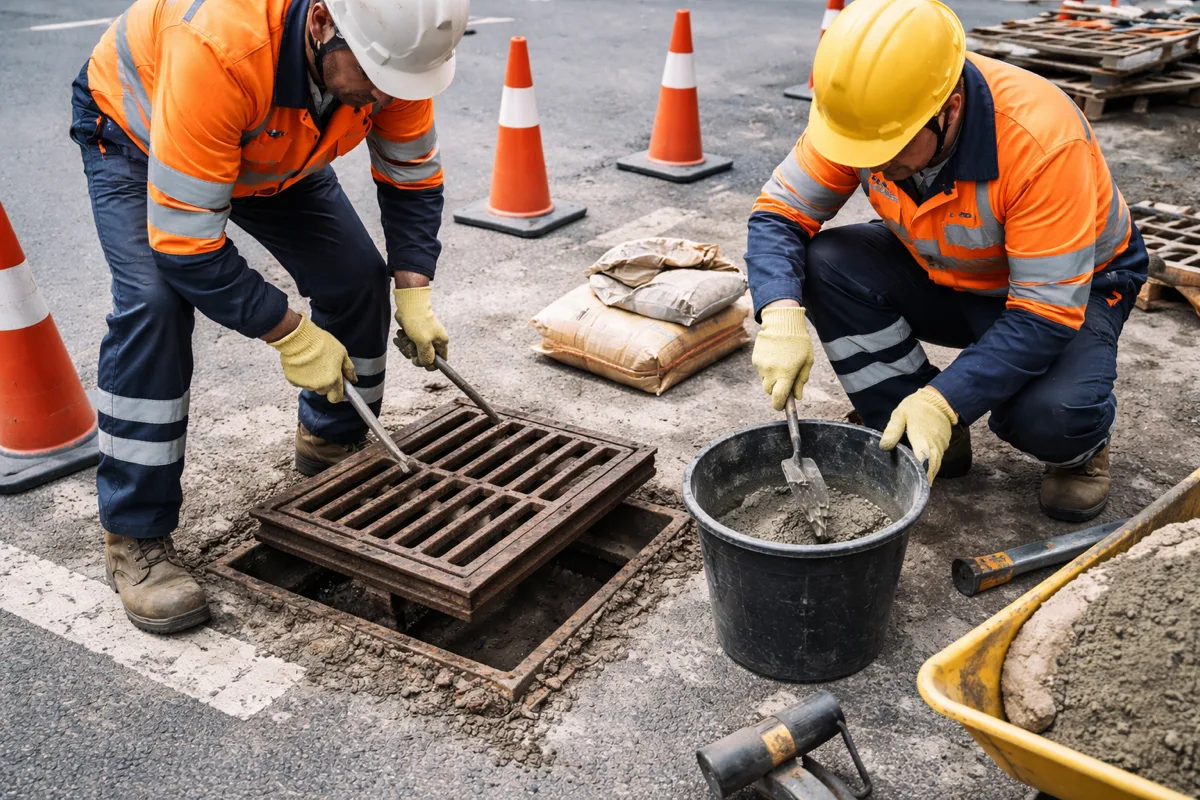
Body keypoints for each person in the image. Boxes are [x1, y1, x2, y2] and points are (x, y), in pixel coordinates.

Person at [69, 0, 469, 633]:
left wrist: (414, 289)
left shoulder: (392, 61)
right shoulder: (221, 50)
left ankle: (331, 443)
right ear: (319, 25)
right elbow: (188, 246)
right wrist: (290, 333)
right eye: (370, 80)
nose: (380, 97)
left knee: (357, 279)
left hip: (276, 153)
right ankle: (135, 539)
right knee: (154, 306)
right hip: (141, 135)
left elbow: (412, 177)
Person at [746, 0, 1146, 522]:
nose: (868, 164)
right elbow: (779, 214)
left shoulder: (1041, 139)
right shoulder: (866, 116)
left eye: (887, 149)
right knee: (826, 264)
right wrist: (779, 311)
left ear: (950, 109)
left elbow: (1043, 314)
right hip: (947, 269)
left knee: (1049, 416)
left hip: (1074, 290)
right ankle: (919, 431)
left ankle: (1081, 456)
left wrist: (943, 399)